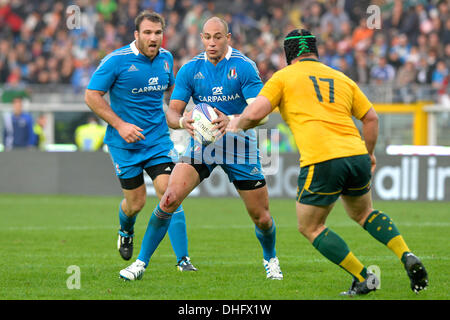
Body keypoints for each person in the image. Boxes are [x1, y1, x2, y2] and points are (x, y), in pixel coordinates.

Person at [227, 29, 428, 296]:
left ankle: (363, 277)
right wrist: (369, 154)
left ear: (288, 55)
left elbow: (254, 113)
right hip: (355, 154)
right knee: (364, 213)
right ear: (314, 50)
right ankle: (406, 254)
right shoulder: (341, 77)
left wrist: (235, 124)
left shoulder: (284, 77)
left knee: (310, 226)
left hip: (322, 158)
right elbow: (371, 118)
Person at [119, 17, 283, 281]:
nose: (212, 42)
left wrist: (233, 121)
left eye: (217, 37)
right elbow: (171, 114)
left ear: (228, 38)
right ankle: (140, 264)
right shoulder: (190, 70)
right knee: (169, 198)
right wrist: (184, 121)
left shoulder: (244, 67)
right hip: (203, 146)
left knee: (262, 218)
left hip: (238, 146)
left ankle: (270, 258)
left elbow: (261, 114)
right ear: (202, 38)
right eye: (207, 37)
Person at [84, 11, 196, 272]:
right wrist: (120, 125)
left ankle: (183, 260)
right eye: (147, 32)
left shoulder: (167, 60)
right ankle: (126, 229)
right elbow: (91, 96)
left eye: (157, 33)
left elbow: (169, 100)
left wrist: (183, 118)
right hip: (124, 145)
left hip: (157, 141)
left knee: (171, 194)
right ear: (136, 35)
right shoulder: (116, 61)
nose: (153, 37)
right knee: (136, 203)